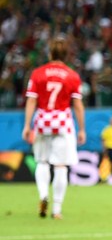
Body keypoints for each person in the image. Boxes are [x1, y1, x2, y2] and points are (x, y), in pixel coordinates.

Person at [22, 36, 86, 219]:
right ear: (66, 55)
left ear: (50, 53)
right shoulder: (72, 75)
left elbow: (31, 100)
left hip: (42, 120)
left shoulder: (38, 73)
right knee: (60, 166)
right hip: (63, 121)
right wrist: (81, 129)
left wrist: (27, 125)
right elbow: (78, 105)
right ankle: (57, 209)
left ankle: (43, 195)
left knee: (42, 161)